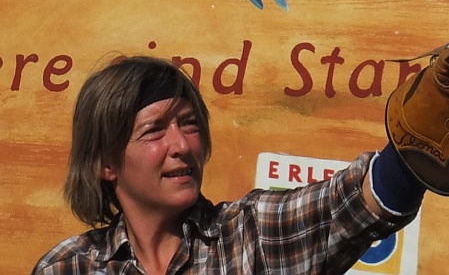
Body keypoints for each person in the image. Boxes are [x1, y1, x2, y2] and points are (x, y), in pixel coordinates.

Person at [30, 55, 427, 275]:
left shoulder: (251, 237)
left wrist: (422, 137)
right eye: (154, 131)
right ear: (105, 163)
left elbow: (357, 202)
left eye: (189, 124)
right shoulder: (68, 268)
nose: (181, 145)